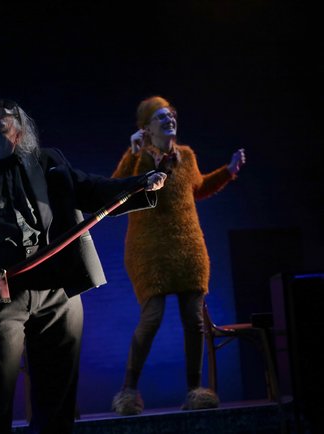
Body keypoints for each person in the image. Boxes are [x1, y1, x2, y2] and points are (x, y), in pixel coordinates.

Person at [0, 97, 167, 434]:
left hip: (56, 290)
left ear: (18, 136)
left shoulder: (47, 163)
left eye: (0, 128)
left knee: (57, 385)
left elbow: (91, 189)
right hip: (0, 294)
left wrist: (139, 184)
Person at [110, 95, 246, 415]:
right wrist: (133, 153)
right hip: (149, 251)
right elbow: (116, 190)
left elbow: (199, 187)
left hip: (188, 248)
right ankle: (128, 392)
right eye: (161, 117)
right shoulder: (139, 158)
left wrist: (228, 171)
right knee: (152, 318)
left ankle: (194, 390)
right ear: (146, 127)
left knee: (194, 321)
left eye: (171, 114)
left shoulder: (186, 156)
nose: (169, 119)